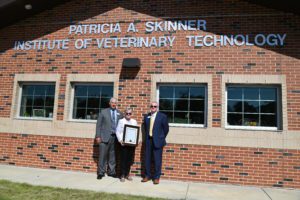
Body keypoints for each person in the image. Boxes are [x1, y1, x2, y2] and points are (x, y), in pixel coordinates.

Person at [142, 101, 169, 185]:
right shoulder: (147, 117)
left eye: (155, 106)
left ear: (157, 108)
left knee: (157, 160)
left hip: (158, 141)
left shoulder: (162, 116)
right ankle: (147, 175)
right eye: (152, 106)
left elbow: (166, 129)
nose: (153, 107)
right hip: (148, 140)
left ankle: (157, 177)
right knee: (147, 159)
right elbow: (145, 129)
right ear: (150, 107)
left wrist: (160, 138)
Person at [95, 97, 123, 179]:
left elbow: (121, 126)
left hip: (115, 138)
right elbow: (98, 125)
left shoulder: (120, 113)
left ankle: (111, 172)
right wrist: (98, 136)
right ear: (109, 103)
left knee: (113, 156)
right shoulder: (103, 112)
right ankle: (101, 172)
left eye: (115, 103)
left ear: (117, 104)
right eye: (112, 102)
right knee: (102, 156)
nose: (114, 104)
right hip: (104, 137)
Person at [116, 107, 138, 182]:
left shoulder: (134, 121)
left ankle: (127, 174)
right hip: (123, 144)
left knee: (129, 160)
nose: (128, 114)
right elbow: (117, 132)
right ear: (124, 114)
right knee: (123, 159)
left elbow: (136, 132)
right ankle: (122, 175)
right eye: (127, 113)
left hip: (131, 144)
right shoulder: (121, 121)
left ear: (131, 114)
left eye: (130, 113)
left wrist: (136, 141)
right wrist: (120, 140)